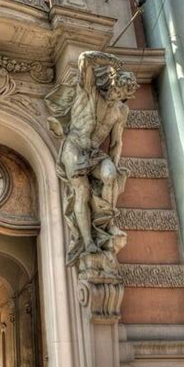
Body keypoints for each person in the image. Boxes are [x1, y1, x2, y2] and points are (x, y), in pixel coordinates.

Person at [46, 51, 138, 265]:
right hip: (74, 148)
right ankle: (88, 241)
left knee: (109, 174)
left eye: (122, 93)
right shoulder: (90, 92)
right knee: (82, 191)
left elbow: (116, 143)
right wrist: (110, 60)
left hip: (95, 153)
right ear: (111, 82)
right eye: (116, 89)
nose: (116, 94)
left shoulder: (120, 111)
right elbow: (85, 59)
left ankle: (104, 223)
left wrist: (115, 169)